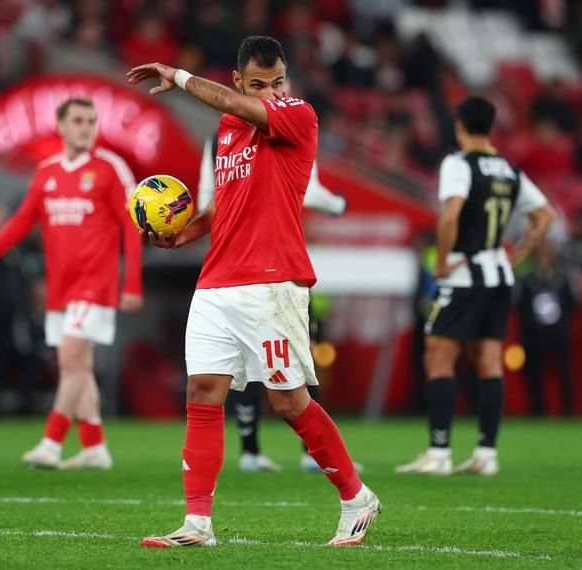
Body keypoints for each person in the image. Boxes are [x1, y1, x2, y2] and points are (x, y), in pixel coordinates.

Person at [126, 35, 379, 548]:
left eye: (277, 82)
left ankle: (356, 497)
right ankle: (197, 522)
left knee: (289, 403)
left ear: (287, 81)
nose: (269, 93)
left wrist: (177, 76)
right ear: (241, 79)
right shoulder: (228, 130)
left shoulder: (298, 116)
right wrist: (183, 234)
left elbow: (230, 102)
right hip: (218, 281)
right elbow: (225, 206)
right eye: (258, 85)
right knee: (202, 392)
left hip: (273, 281)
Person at [0, 98, 144, 469]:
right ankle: (95, 447)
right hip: (61, 286)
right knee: (74, 367)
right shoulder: (46, 171)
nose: (85, 127)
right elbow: (21, 220)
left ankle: (51, 442)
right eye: (78, 120)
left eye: (91, 121)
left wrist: (133, 284)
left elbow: (131, 225)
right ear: (61, 127)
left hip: (97, 282)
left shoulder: (110, 168)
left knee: (71, 357)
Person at [395, 95, 554, 476]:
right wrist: (514, 257)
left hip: (466, 275)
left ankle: (439, 453)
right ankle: (486, 453)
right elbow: (544, 217)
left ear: (460, 125)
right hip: (499, 274)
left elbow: (450, 215)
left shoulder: (458, 162)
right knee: (488, 360)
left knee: (438, 355)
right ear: (491, 127)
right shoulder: (509, 170)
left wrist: (444, 260)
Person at [198, 134, 349, 473]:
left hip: (230, 266)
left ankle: (250, 450)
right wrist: (339, 205)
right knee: (297, 356)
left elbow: (206, 200)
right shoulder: (290, 131)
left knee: (244, 362)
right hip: (275, 266)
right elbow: (311, 190)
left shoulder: (215, 140)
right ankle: (312, 454)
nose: (280, 94)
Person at [516, 240, 582, 416]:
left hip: (559, 335)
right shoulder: (528, 280)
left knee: (564, 372)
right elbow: (520, 306)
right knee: (534, 374)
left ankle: (568, 409)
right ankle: (538, 409)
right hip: (534, 336)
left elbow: (573, 304)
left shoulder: (562, 279)